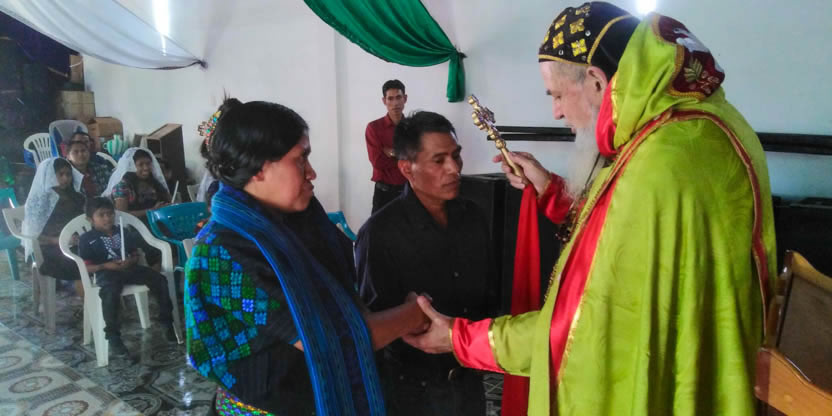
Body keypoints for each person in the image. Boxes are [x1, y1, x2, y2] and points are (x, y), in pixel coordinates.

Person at [404, 3, 777, 415]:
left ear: (597, 82)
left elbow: (580, 330)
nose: (556, 112)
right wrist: (552, 192)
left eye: (557, 94)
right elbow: (630, 235)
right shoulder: (700, 124)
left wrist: (459, 339)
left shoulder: (657, 166)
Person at [185, 98, 429, 415]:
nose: (312, 172)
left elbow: (345, 295)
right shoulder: (224, 249)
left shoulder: (300, 218)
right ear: (258, 168)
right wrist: (417, 313)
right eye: (300, 160)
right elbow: (334, 338)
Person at [356, 111, 496, 415]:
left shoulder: (473, 217)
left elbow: (487, 295)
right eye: (438, 160)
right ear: (407, 168)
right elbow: (373, 324)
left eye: (456, 156)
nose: (454, 168)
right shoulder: (381, 233)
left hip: (470, 378)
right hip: (413, 392)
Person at [79, 197, 176, 356]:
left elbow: (134, 254)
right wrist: (105, 266)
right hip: (106, 273)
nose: (107, 218)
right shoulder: (86, 239)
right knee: (110, 292)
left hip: (129, 268)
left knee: (159, 280)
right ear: (90, 219)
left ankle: (167, 321)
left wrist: (130, 260)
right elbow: (86, 267)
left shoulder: (122, 232)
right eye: (101, 215)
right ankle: (113, 335)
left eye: (110, 214)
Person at [22, 158, 86, 293]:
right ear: (49, 175)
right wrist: (59, 240)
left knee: (100, 253)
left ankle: (99, 296)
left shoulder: (75, 197)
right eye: (60, 174)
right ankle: (88, 302)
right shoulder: (39, 201)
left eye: (68, 174)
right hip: (50, 248)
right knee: (80, 262)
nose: (65, 178)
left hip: (75, 243)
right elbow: (33, 235)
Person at [366, 79, 408, 213]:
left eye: (398, 97)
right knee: (379, 227)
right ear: (384, 101)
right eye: (390, 98)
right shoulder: (374, 128)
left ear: (405, 99)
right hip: (384, 194)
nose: (395, 103)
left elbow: (418, 158)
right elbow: (377, 161)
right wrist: (405, 157)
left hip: (409, 191)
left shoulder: (412, 127)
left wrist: (392, 153)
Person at [104, 148, 171, 220]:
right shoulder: (122, 186)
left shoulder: (154, 182)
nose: (146, 168)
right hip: (135, 225)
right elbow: (122, 215)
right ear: (131, 166)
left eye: (148, 163)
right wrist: (151, 211)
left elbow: (168, 200)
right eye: (141, 164)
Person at [64, 132, 114, 197]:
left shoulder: (101, 169)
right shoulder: (65, 175)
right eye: (76, 152)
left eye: (83, 150)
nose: (81, 154)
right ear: (68, 156)